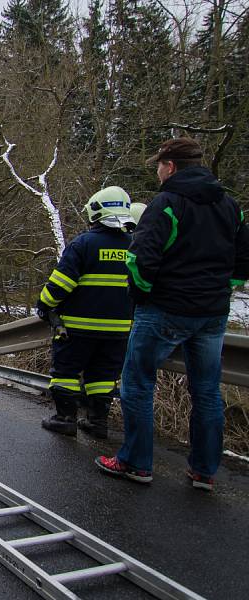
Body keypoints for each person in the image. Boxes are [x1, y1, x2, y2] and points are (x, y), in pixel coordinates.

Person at [96, 137, 249, 490]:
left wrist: (142, 295)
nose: (158, 172)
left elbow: (139, 260)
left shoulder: (165, 204)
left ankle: (135, 462)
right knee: (208, 391)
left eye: (159, 166)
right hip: (211, 315)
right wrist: (224, 288)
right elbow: (244, 258)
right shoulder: (229, 205)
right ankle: (204, 471)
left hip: (165, 309)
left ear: (172, 166)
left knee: (137, 383)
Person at [35, 186, 135, 439]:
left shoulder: (84, 244)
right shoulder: (136, 246)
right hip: (119, 331)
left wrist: (45, 305)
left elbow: (61, 283)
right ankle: (97, 422)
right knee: (103, 376)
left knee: (66, 372)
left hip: (78, 329)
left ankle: (65, 418)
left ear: (96, 212)